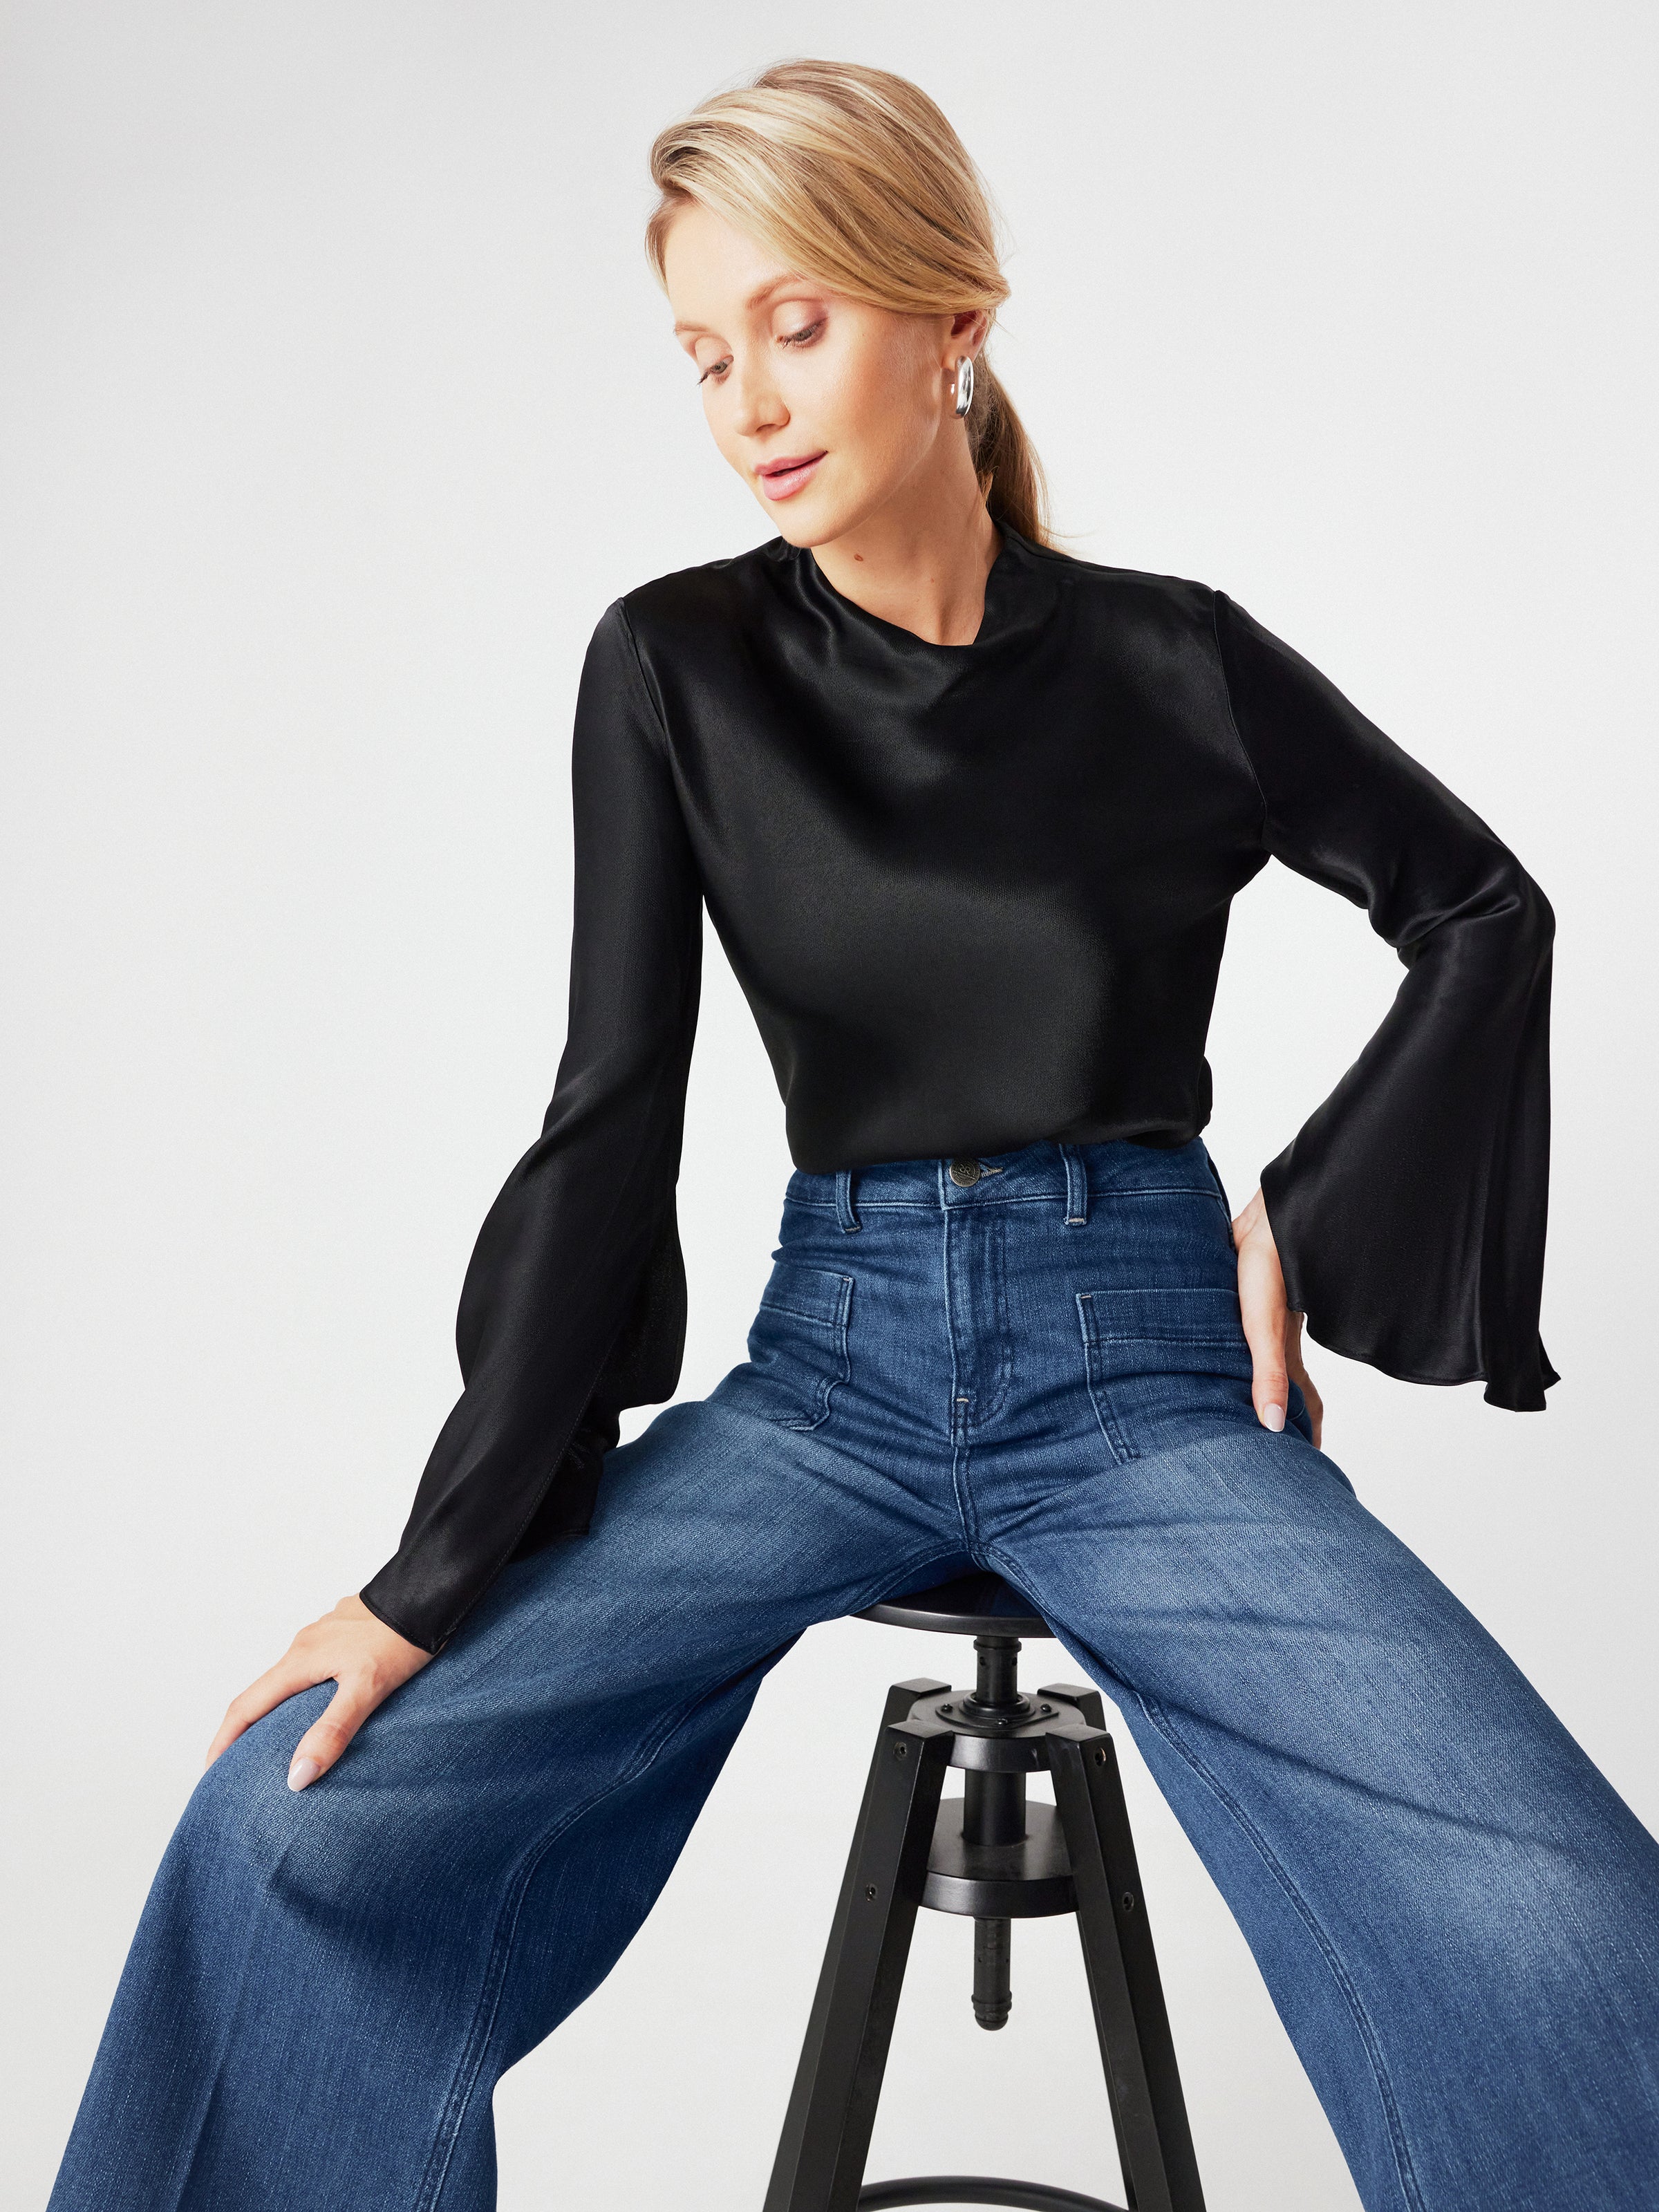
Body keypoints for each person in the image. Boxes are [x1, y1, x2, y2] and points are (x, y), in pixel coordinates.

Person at [48, 57, 1659, 2212]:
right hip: (828, 1381)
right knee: (287, 1823)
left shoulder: (1174, 662)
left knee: (1567, 1922)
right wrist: (429, 1575)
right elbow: (609, 1112)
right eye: (704, 355)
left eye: (795, 326)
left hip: (1143, 1380)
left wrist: (1311, 1209)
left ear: (951, 319)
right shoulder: (677, 665)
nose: (748, 404)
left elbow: (1482, 912)